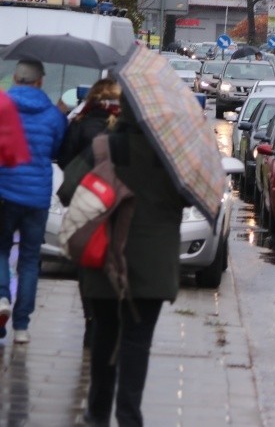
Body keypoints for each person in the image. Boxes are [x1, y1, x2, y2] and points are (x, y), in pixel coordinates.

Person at [58, 92, 186, 426]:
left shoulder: (105, 148)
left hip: (104, 261)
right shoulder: (173, 155)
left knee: (105, 333)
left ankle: (97, 412)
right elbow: (189, 197)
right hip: (153, 268)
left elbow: (68, 190)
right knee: (137, 341)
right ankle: (129, 416)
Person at [0, 60, 67, 344]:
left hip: (4, 191)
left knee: (1, 249)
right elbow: (56, 148)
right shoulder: (52, 114)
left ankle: (2, 297)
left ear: (15, 78)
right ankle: (22, 326)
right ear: (41, 82)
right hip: (37, 197)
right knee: (29, 260)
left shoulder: (2, 106)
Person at [57, 78, 122, 348]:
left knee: (87, 261)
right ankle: (110, 317)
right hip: (116, 204)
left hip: (86, 200)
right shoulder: (121, 128)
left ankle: (90, 320)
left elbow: (63, 158)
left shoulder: (80, 123)